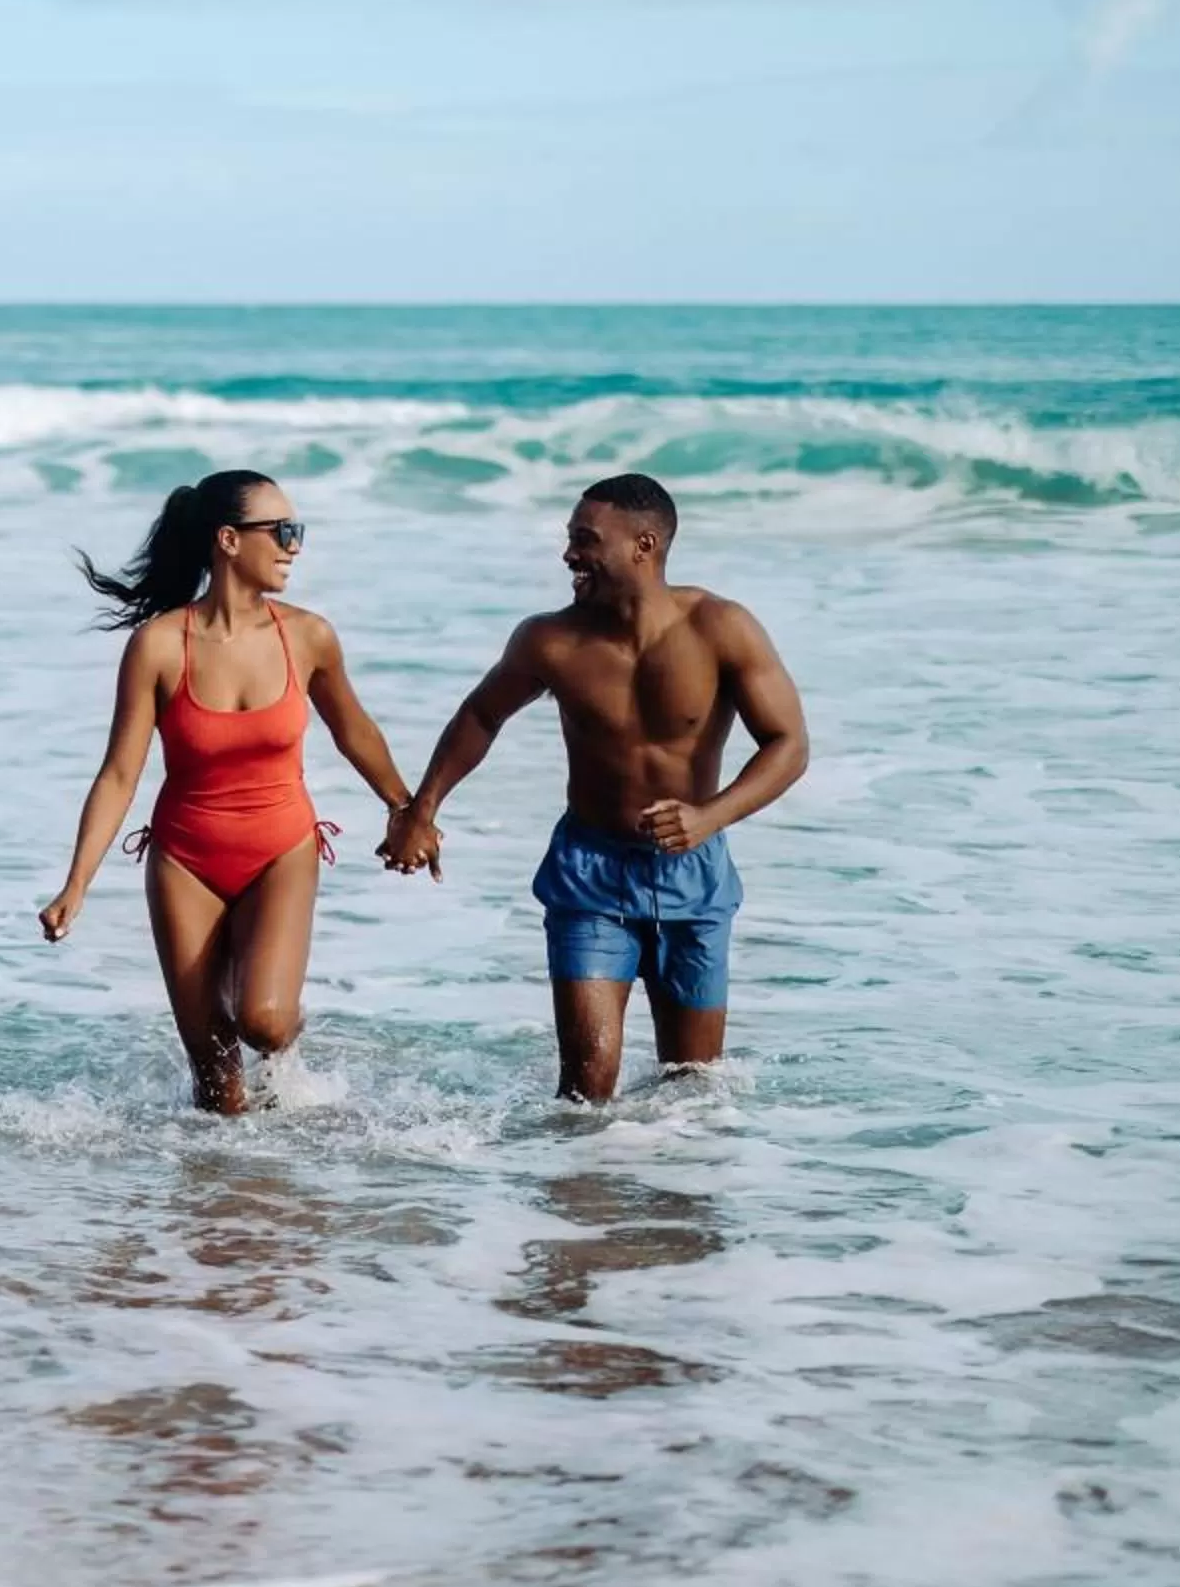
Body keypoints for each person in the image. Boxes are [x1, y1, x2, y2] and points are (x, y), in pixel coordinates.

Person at [380, 474, 808, 1100]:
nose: (569, 555)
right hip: (590, 872)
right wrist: (422, 810)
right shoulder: (550, 640)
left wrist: (710, 817)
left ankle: (667, 1170)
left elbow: (789, 744)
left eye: (585, 540)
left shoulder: (721, 627)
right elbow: (482, 715)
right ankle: (582, 1167)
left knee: (691, 1086)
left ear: (644, 545)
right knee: (586, 1087)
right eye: (570, 539)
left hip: (693, 873)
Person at [40, 470, 419, 1115]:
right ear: (229, 540)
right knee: (217, 1086)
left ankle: (286, 1056)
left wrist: (406, 809)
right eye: (283, 531)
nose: (295, 545)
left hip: (281, 849)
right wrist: (76, 885)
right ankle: (226, 1180)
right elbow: (120, 773)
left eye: (298, 531)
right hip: (185, 859)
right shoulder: (159, 646)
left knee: (264, 1022)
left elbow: (354, 730)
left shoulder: (309, 636)